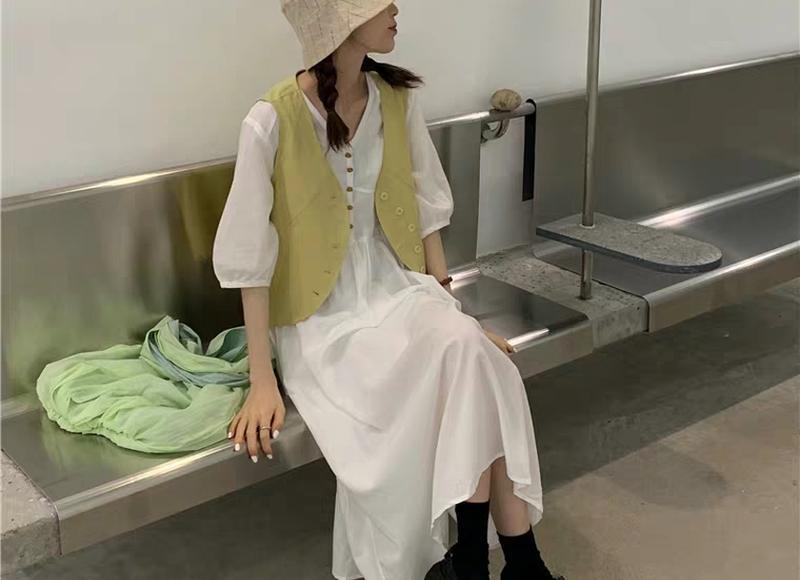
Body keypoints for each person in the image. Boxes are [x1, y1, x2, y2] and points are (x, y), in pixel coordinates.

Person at [212, 2, 564, 579]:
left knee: (476, 355)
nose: (396, 7)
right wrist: (261, 380)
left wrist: (454, 312)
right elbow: (250, 263)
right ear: (339, 19)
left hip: (398, 290)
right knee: (479, 366)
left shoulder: (397, 100)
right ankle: (514, 566)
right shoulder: (270, 120)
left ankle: (480, 564)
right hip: (320, 321)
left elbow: (425, 216)